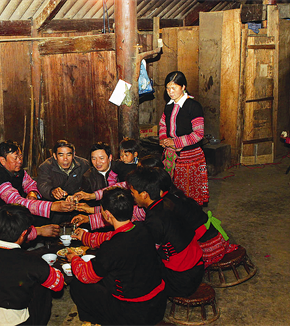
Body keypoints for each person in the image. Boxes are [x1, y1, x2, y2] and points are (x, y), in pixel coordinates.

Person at [67, 188, 166, 326]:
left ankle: (98, 321)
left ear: (107, 214)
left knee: (78, 285)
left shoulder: (112, 248)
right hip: (158, 303)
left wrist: (74, 259)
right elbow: (110, 236)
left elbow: (86, 275)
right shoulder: (142, 228)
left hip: (133, 313)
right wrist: (86, 237)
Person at [127, 167, 204, 297]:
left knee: (135, 265)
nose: (132, 196)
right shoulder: (167, 202)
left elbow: (147, 250)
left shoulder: (155, 220)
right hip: (197, 268)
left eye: (133, 193)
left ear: (144, 194)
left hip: (181, 281)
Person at [0, 140, 74, 226]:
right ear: (3, 160)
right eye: (15, 158)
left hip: (13, 208)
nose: (20, 161)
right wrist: (52, 207)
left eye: (20, 157)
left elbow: (30, 183)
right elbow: (16, 202)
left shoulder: (17, 170)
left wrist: (32, 192)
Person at [160, 71, 209, 205]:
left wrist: (175, 142)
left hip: (190, 156)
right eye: (168, 88)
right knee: (173, 191)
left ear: (183, 87)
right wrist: (164, 139)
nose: (170, 91)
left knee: (189, 194)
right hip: (171, 156)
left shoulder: (193, 106)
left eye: (174, 88)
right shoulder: (168, 106)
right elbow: (163, 124)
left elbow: (198, 133)